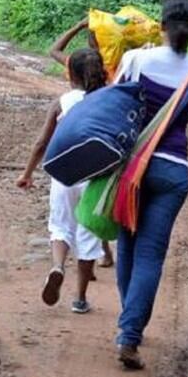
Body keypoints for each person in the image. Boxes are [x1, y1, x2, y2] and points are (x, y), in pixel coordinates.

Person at [111, 0, 188, 369]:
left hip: (132, 169)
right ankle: (129, 331)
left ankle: (130, 327)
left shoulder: (135, 60)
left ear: (161, 25)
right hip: (172, 172)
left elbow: (113, 107)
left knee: (128, 243)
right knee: (151, 254)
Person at [17, 48, 108, 314]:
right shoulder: (107, 100)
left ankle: (57, 267)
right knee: (88, 232)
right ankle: (80, 298)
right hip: (96, 177)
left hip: (64, 174)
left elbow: (41, 143)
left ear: (71, 74)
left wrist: (27, 173)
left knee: (60, 226)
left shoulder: (62, 102)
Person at [49, 19, 115, 269]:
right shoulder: (109, 73)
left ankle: (86, 258)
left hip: (70, 154)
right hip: (98, 155)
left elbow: (54, 50)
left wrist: (76, 26)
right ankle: (101, 255)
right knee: (91, 202)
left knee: (68, 214)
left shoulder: (76, 65)